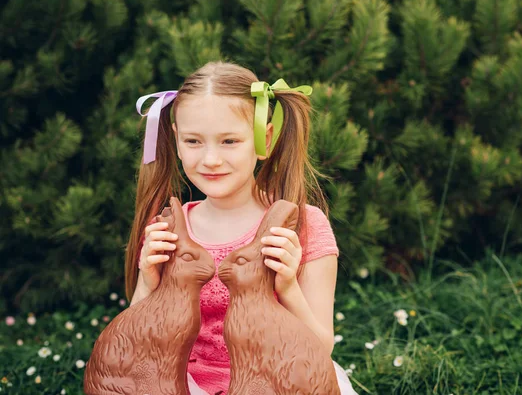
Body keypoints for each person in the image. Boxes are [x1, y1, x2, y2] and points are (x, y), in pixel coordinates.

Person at [124, 61, 358, 395]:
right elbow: (134, 345)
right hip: (185, 383)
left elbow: (320, 349)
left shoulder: (304, 227)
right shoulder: (169, 229)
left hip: (275, 381)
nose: (211, 159)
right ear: (176, 139)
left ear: (264, 139)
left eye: (229, 141)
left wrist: (288, 286)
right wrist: (147, 284)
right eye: (193, 141)